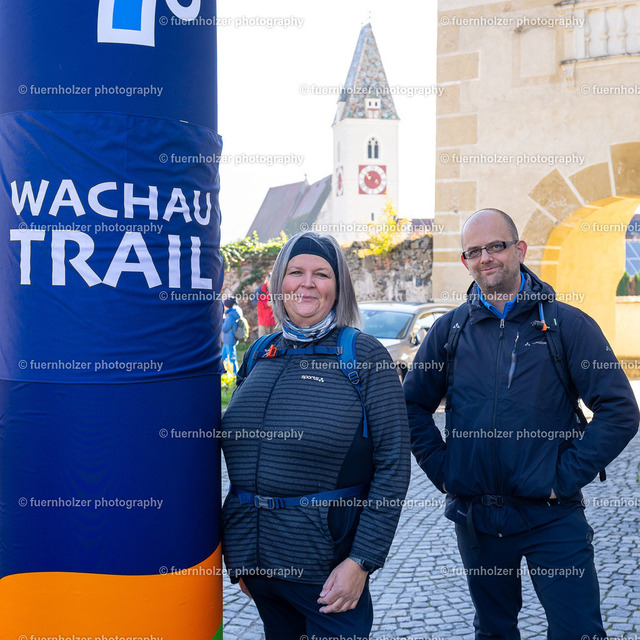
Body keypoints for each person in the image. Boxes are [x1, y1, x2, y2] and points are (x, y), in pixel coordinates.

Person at [404, 208, 639, 639]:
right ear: (465, 261)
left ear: (520, 250)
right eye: (474, 251)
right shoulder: (449, 331)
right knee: (494, 631)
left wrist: (561, 478)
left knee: (578, 631)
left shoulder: (567, 325)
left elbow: (620, 410)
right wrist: (445, 471)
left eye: (496, 246)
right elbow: (410, 407)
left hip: (552, 517)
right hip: (478, 520)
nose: (485, 258)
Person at [221, 231, 410, 640]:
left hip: (328, 575)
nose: (307, 283)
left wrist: (361, 562)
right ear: (279, 282)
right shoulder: (259, 353)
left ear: (338, 288)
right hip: (259, 568)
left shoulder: (364, 356)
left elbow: (394, 465)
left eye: (321, 274)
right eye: (296, 272)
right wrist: (241, 555)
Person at [221, 297, 241, 375]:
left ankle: (236, 374)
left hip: (229, 340)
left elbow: (225, 329)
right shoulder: (234, 313)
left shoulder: (230, 316)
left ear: (226, 306)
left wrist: (222, 321)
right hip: (228, 339)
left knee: (232, 358)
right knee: (223, 357)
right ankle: (222, 373)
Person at [256, 272, 276, 337]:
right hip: (264, 323)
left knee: (275, 341)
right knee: (263, 341)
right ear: (267, 281)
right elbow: (255, 302)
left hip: (275, 322)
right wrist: (266, 304)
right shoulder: (260, 290)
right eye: (271, 282)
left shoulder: (277, 290)